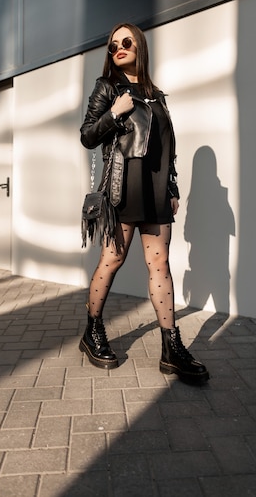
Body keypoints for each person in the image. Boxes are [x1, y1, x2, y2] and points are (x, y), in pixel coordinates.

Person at [79, 22, 209, 384]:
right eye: (112, 45)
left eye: (126, 41)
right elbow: (88, 136)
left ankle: (171, 348)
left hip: (154, 192)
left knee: (160, 264)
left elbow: (167, 148)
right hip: (122, 190)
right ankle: (92, 331)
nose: (118, 47)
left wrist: (172, 188)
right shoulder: (107, 88)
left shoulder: (157, 94)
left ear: (140, 46)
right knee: (113, 259)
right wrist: (115, 112)